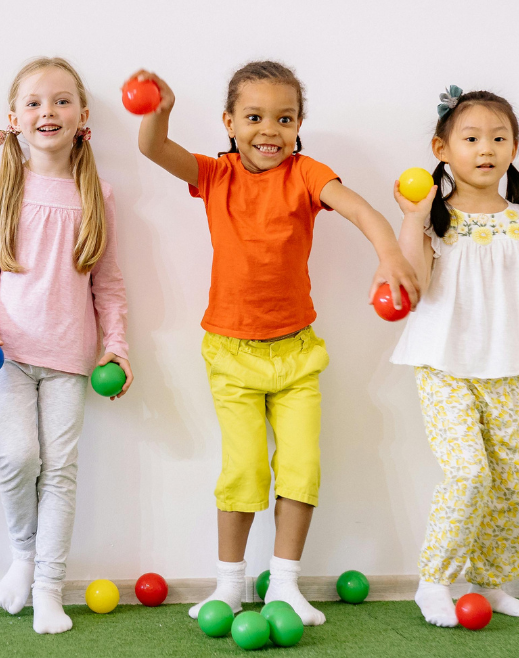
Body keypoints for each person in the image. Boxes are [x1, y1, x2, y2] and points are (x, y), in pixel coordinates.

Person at [132, 61, 419, 626]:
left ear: (299, 124)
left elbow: (359, 207)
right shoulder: (215, 175)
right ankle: (230, 585)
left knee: (302, 467)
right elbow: (153, 149)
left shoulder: (307, 174)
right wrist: (157, 113)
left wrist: (389, 255)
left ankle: (285, 583)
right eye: (255, 116)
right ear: (230, 123)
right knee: (243, 471)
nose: (271, 129)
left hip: (296, 354)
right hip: (231, 354)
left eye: (285, 118)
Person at [391, 87, 519, 627]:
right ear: (442, 148)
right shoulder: (437, 218)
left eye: (499, 137)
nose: (486, 148)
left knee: (515, 482)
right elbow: (412, 280)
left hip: (502, 369)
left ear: (514, 147)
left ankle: (488, 581)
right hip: (443, 367)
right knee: (467, 475)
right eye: (471, 138)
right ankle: (434, 581)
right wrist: (413, 217)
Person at [0, 57, 130, 635]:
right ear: (13, 119)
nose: (47, 112)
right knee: (19, 458)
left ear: (83, 116)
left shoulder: (98, 194)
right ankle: (24, 556)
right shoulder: (1, 186)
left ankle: (48, 589)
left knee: (60, 468)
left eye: (61, 101)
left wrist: (118, 347)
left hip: (69, 357)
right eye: (34, 103)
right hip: (6, 352)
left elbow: (107, 283)